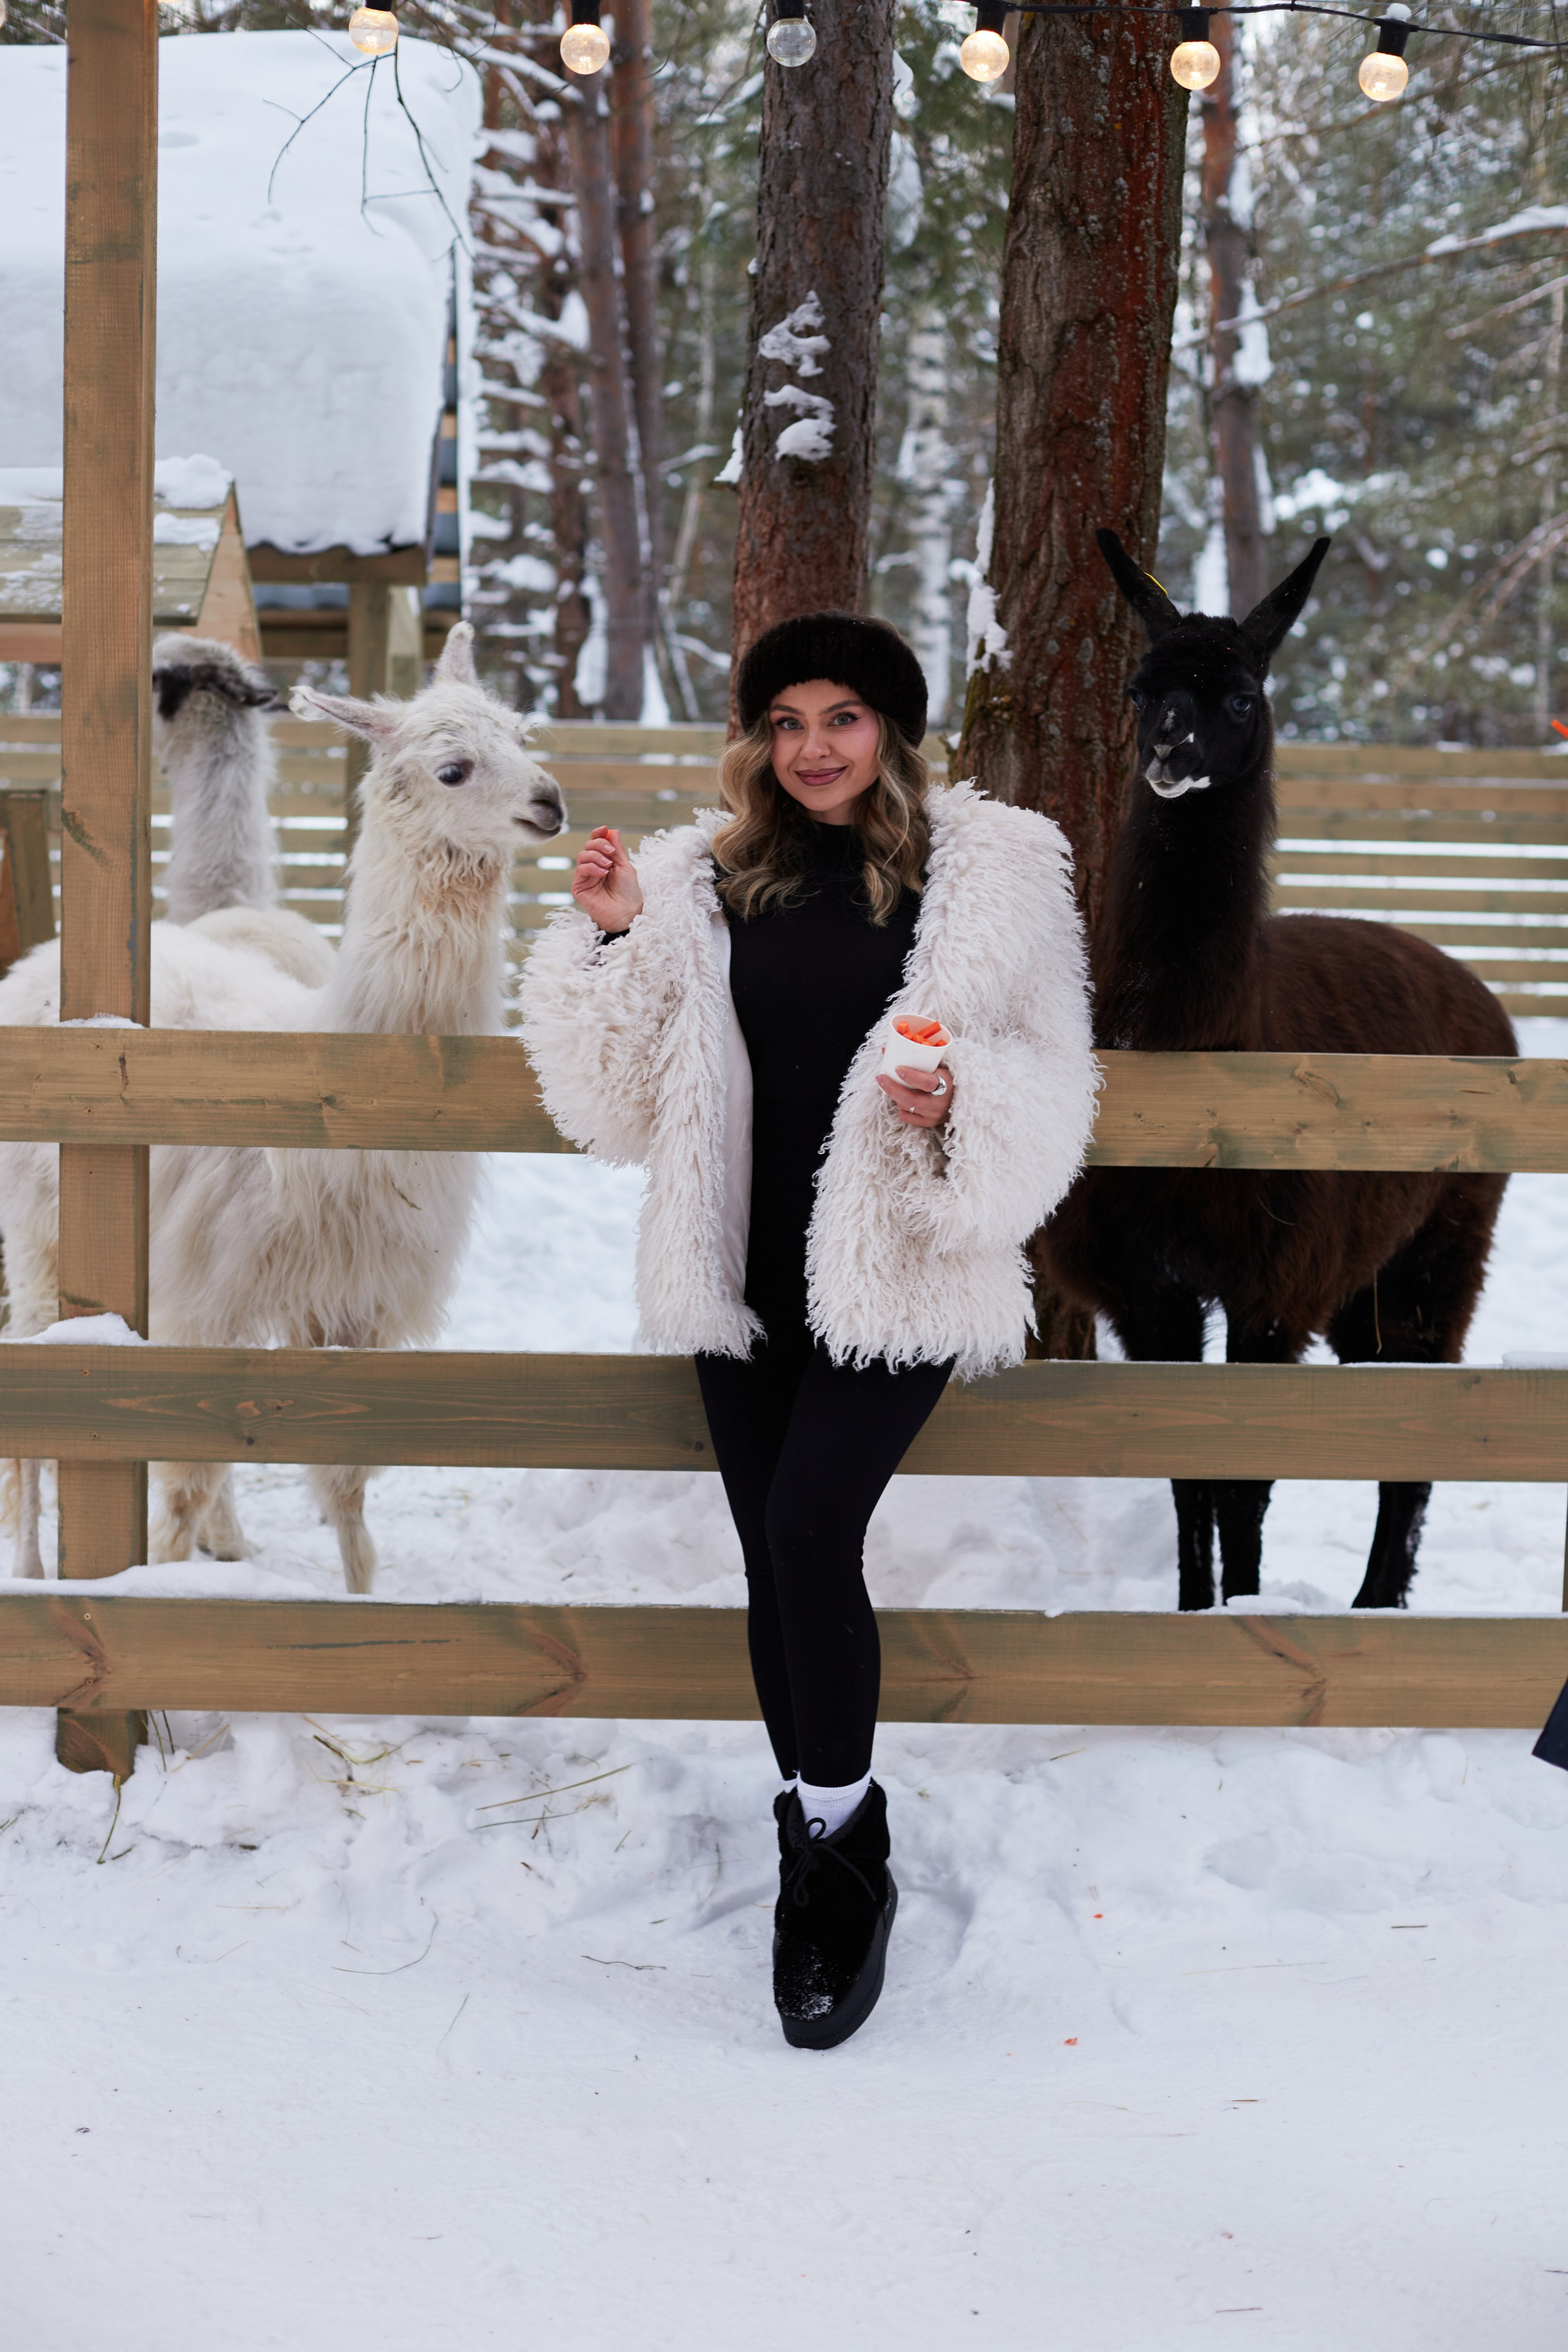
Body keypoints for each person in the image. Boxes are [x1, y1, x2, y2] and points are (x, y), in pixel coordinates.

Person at [520, 613, 1097, 2049]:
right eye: (784, 722)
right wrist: (612, 940)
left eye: (841, 717)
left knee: (804, 1532)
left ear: (890, 728)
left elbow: (1052, 1077)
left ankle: (844, 1858)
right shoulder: (702, 880)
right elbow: (610, 1097)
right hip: (736, 1265)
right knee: (768, 1554)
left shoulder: (989, 877)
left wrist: (957, 1101)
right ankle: (816, 1831)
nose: (812, 747)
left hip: (895, 1268)